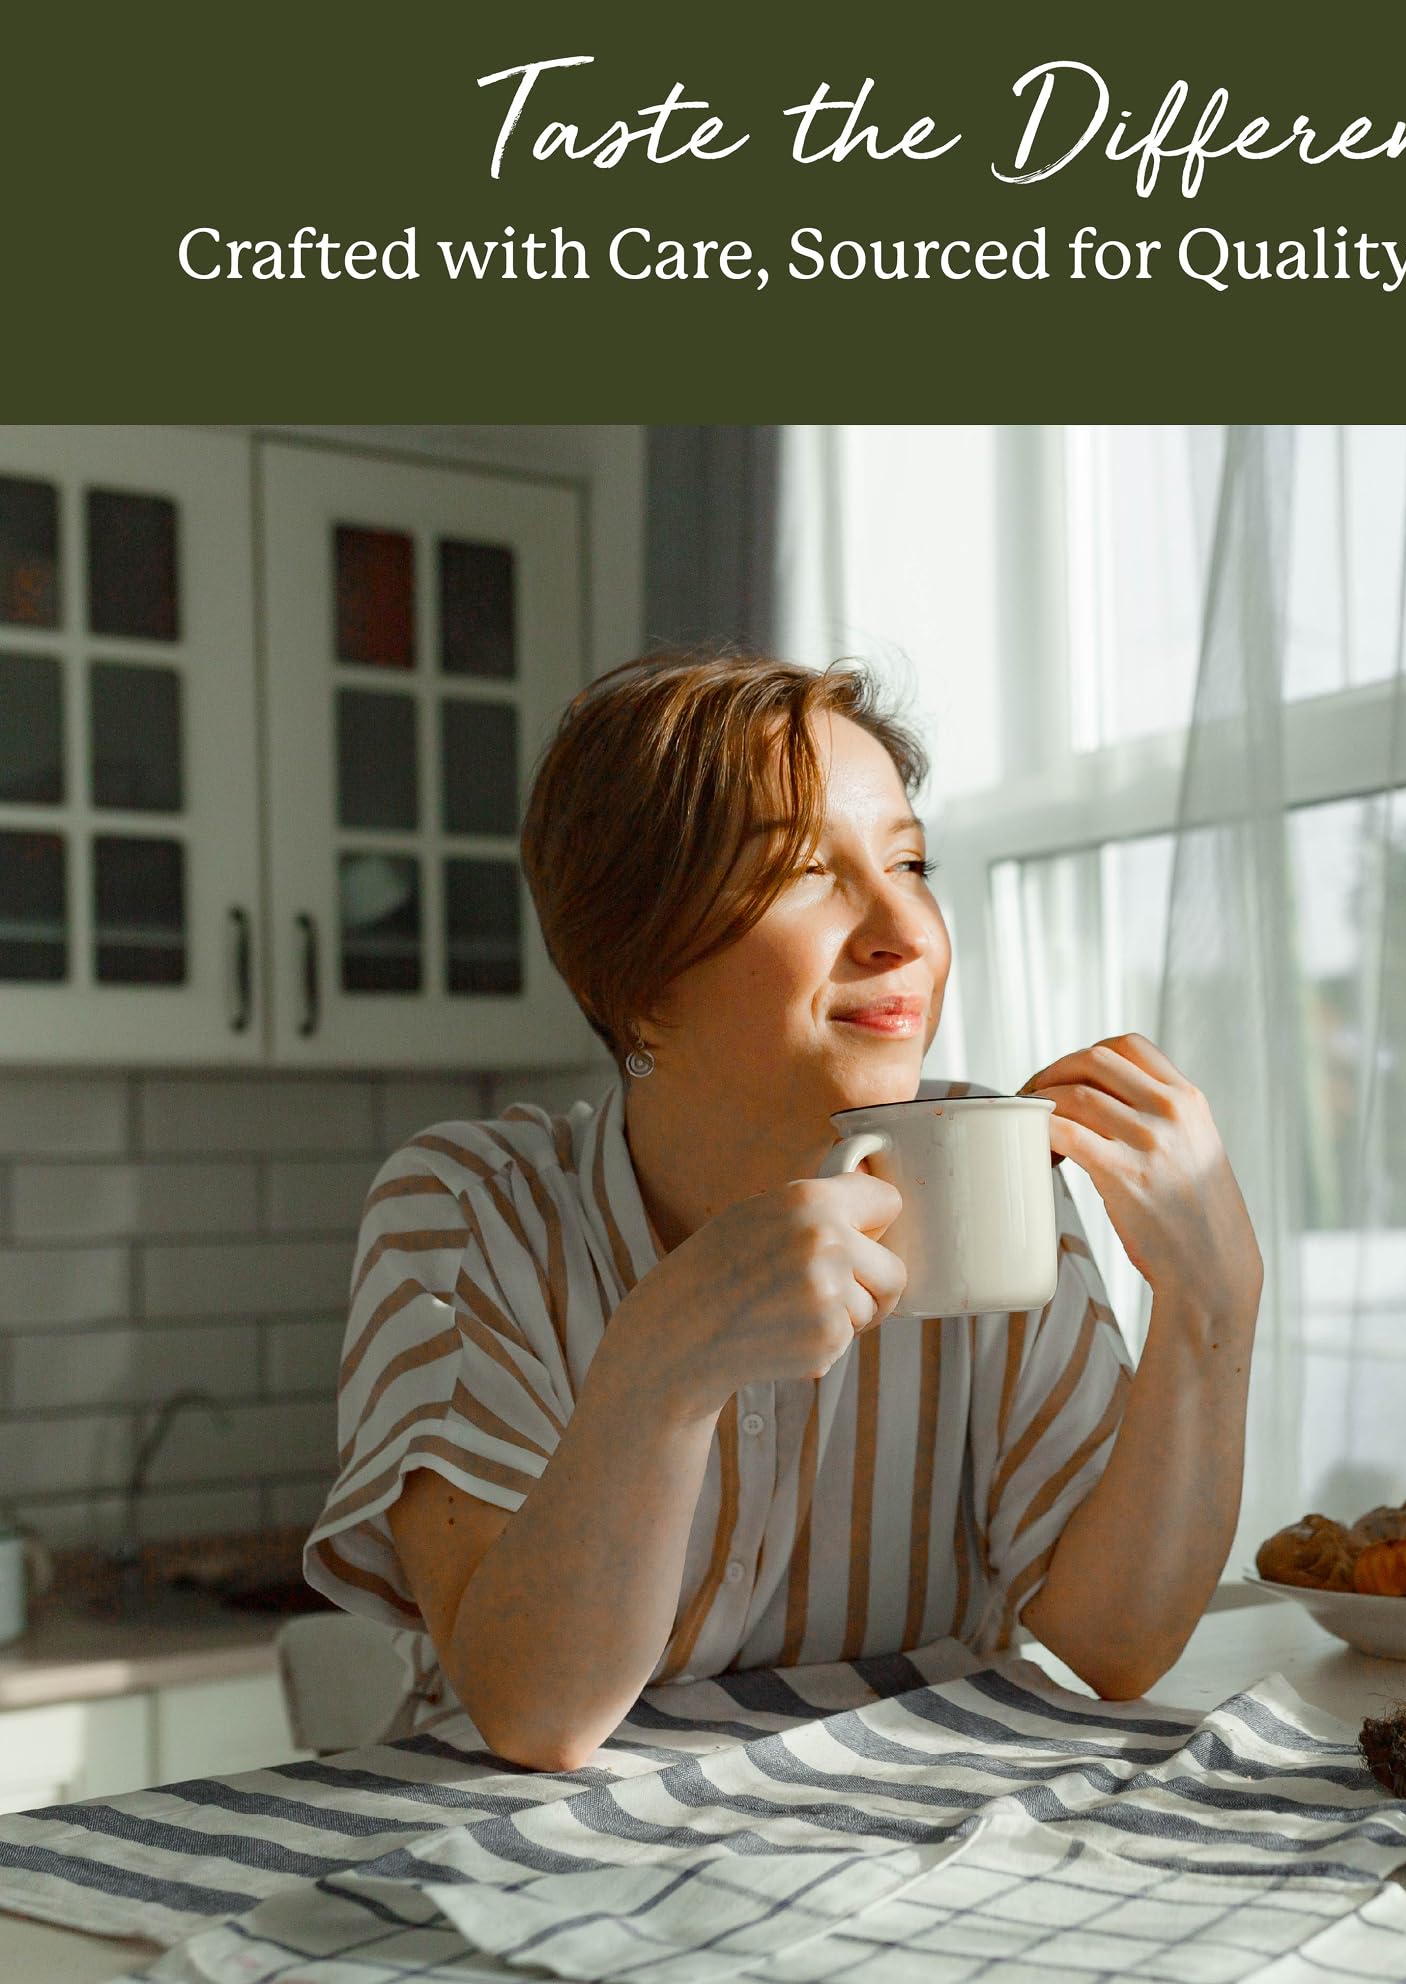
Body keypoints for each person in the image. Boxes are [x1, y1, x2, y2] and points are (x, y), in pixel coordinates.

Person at [304, 650, 1263, 1769]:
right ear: (637, 979)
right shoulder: (470, 1211)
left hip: (900, 1846)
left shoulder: (982, 1167)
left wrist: (1212, 1305)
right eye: (807, 871)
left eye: (908, 859)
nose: (903, 927)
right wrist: (661, 1369)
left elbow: (1113, 1642)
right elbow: (535, 1712)